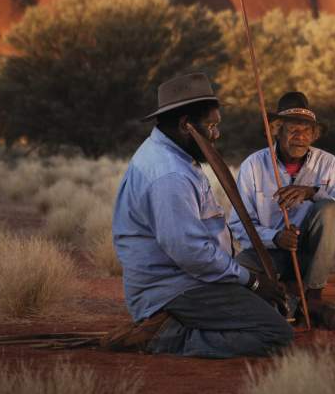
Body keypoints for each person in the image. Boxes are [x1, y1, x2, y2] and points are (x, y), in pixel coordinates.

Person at [112, 73, 293, 358]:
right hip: (172, 289)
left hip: (191, 279)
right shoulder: (169, 174)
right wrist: (252, 281)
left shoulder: (174, 155)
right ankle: (167, 337)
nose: (216, 134)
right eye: (211, 126)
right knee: (276, 334)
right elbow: (191, 253)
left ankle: (182, 326)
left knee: (269, 306)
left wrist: (247, 281)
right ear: (186, 125)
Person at [230, 91, 335, 330]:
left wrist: (314, 193)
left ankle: (313, 299)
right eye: (293, 130)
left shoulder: (329, 164)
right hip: (269, 255)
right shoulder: (253, 165)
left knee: (330, 208)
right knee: (235, 272)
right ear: (277, 131)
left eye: (307, 131)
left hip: (311, 259)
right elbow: (239, 225)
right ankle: (299, 306)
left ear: (315, 134)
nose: (301, 137)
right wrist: (275, 238)